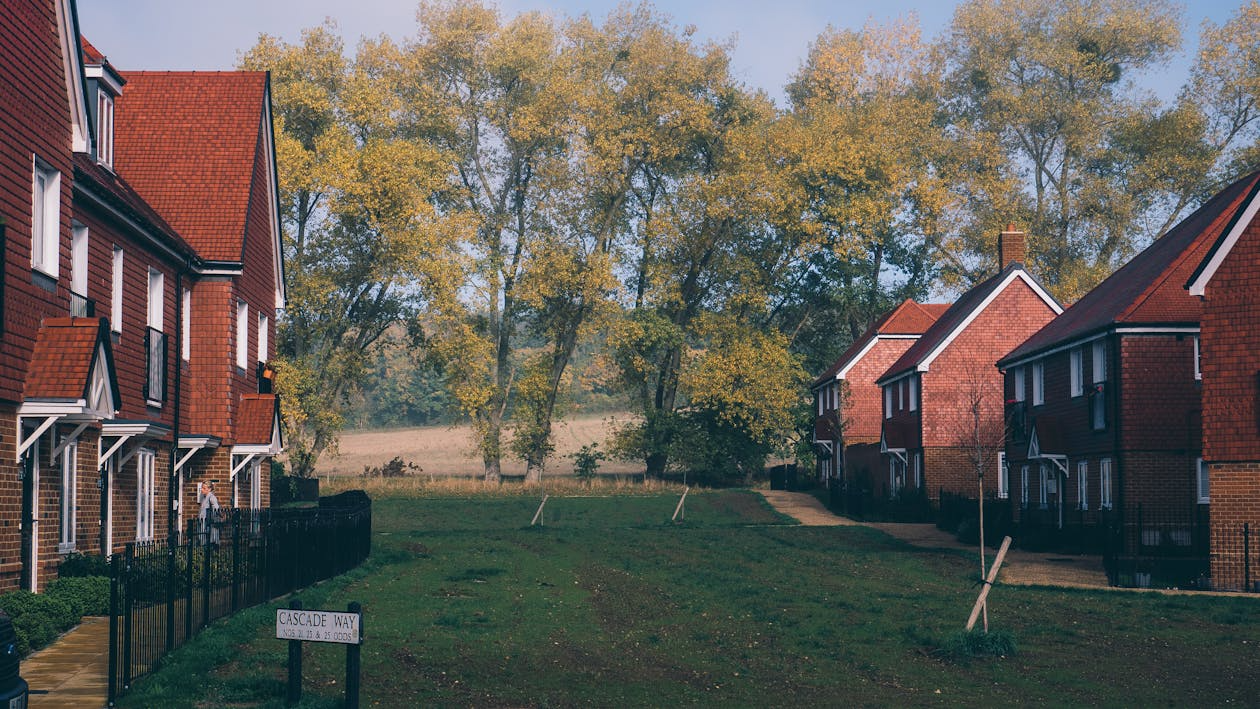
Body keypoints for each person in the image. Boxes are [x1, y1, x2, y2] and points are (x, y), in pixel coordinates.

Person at [198, 481, 221, 547]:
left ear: (209, 489)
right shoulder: (204, 497)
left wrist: (211, 518)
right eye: (201, 488)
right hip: (203, 522)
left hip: (208, 523)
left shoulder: (211, 497)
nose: (202, 489)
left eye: (204, 488)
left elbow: (216, 509)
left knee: (208, 540)